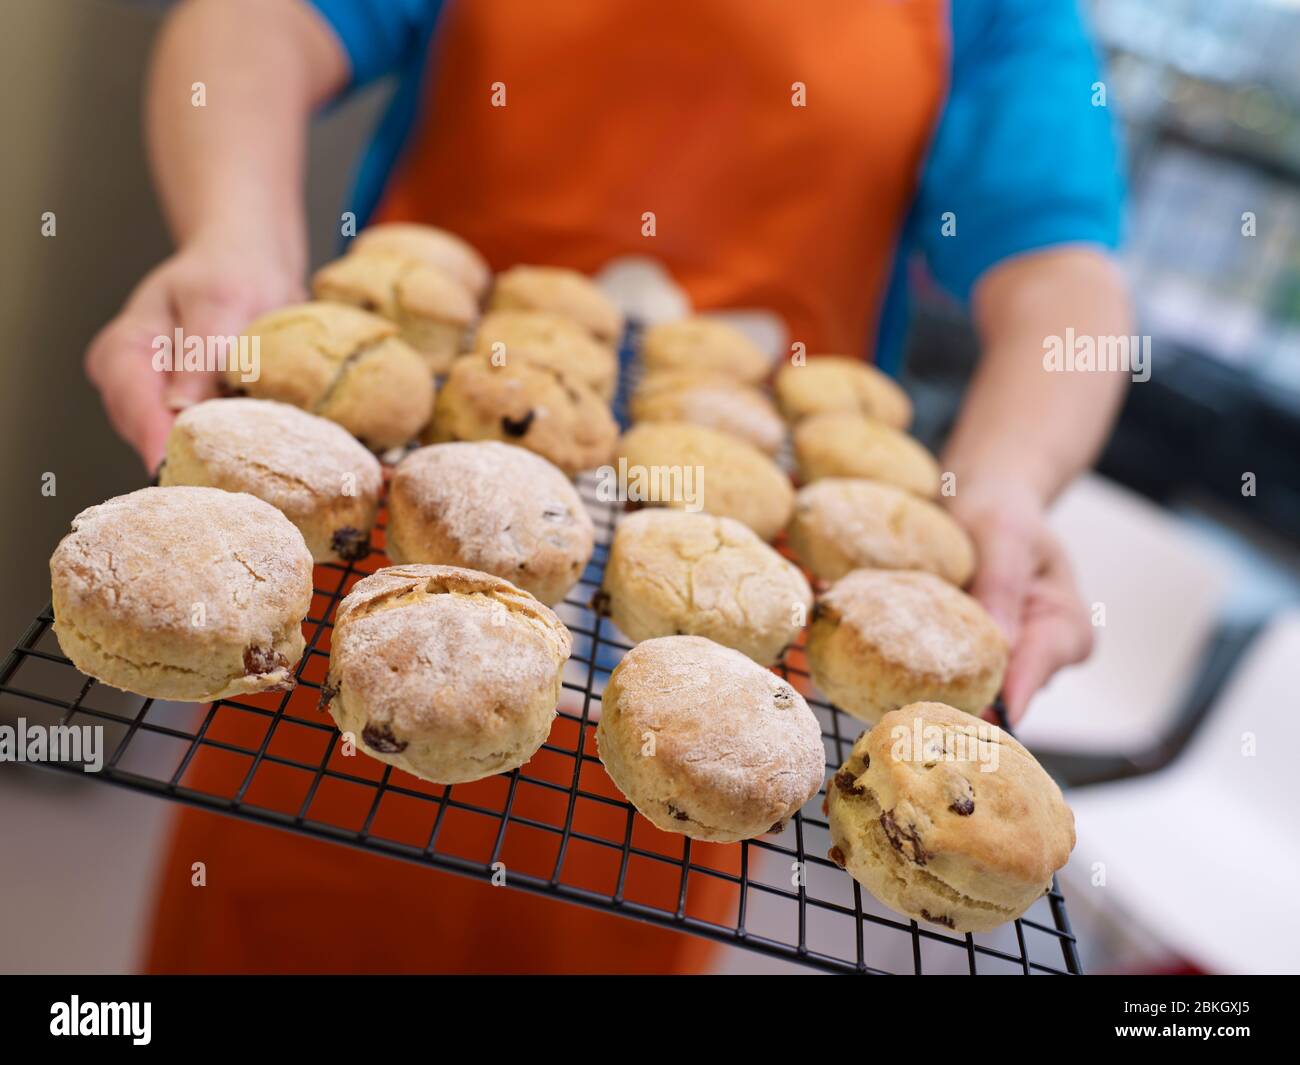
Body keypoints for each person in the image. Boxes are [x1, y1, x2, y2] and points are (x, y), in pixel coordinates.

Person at [85, 0, 1131, 974]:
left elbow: (1062, 269)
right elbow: (256, 23)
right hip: (410, 542)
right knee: (283, 914)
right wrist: (236, 243)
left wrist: (1007, 482)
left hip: (728, 631)